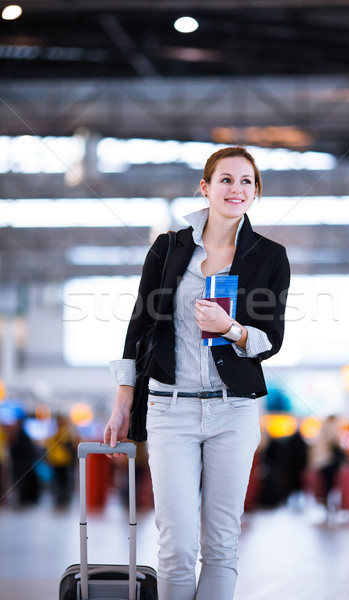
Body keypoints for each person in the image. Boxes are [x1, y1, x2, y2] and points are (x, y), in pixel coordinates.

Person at [104, 146, 290, 600]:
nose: (236, 189)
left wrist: (233, 329)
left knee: (222, 546)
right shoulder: (169, 248)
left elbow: (271, 340)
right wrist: (122, 405)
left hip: (234, 412)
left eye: (247, 181)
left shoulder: (270, 256)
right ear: (205, 188)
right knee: (176, 547)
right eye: (226, 180)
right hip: (170, 409)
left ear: (256, 191)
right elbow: (138, 327)